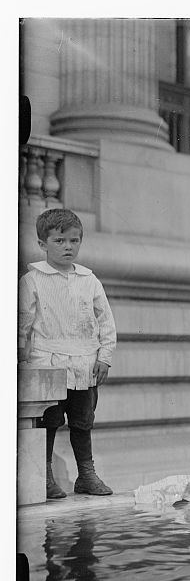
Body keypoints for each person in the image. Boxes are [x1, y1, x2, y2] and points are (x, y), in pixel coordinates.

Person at [19, 208, 116, 499]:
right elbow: (21, 322)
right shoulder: (32, 280)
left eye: (74, 241)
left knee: (83, 420)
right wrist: (20, 362)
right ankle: (44, 477)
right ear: (42, 244)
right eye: (59, 241)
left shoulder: (89, 280)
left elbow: (106, 321)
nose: (68, 247)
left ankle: (86, 475)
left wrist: (104, 357)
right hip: (47, 361)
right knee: (48, 421)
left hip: (85, 363)